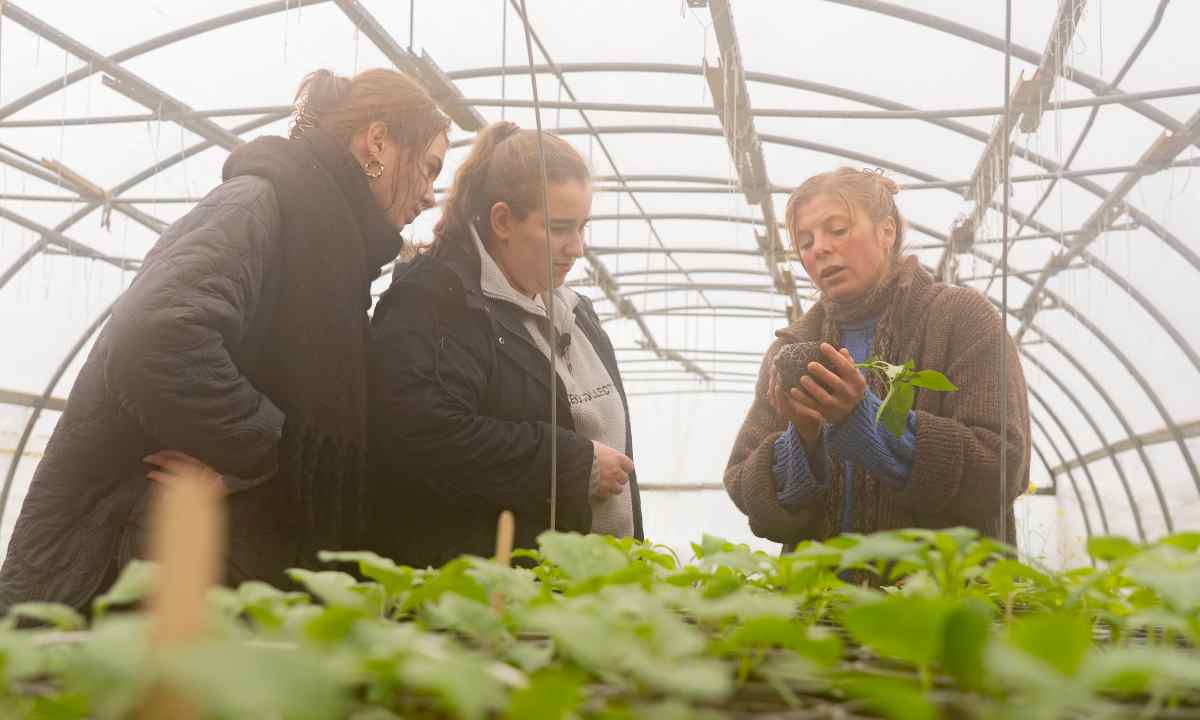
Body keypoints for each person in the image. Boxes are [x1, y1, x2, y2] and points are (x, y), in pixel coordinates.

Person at [0, 68, 450, 611]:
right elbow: (157, 337)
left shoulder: (334, 249)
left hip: (195, 569)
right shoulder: (257, 205)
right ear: (378, 142)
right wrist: (265, 446)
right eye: (428, 169)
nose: (430, 195)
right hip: (129, 564)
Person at [366, 121, 642, 568]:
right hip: (494, 601)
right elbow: (422, 439)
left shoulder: (577, 313)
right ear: (502, 221)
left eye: (583, 227)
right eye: (559, 228)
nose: (577, 248)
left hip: (598, 595)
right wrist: (574, 465)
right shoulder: (437, 302)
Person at [724, 167, 1029, 548]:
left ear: (887, 231)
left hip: (941, 599)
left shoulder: (961, 319)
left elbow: (1002, 468)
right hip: (820, 602)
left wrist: (863, 420)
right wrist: (802, 439)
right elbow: (746, 487)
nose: (819, 248)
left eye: (837, 230)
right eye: (805, 241)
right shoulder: (792, 350)